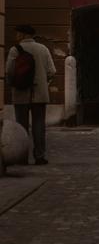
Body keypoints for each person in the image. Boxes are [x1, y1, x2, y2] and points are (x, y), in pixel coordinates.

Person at [5, 25, 56, 165]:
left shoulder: (15, 50)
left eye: (17, 33)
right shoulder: (43, 49)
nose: (16, 36)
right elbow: (52, 71)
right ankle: (39, 156)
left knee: (21, 126)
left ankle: (22, 157)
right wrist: (45, 83)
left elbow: (9, 71)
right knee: (39, 125)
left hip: (20, 93)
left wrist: (13, 84)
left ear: (22, 35)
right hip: (40, 94)